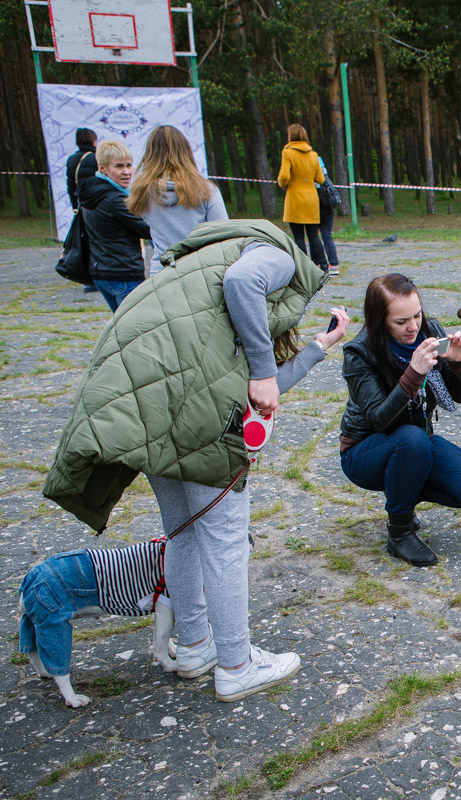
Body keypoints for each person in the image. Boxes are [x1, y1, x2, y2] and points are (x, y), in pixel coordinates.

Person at [43, 219, 349, 701]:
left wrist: (317, 347)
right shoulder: (277, 254)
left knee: (183, 532)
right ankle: (236, 664)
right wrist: (266, 369)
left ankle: (195, 646)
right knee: (225, 540)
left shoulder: (194, 263)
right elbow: (244, 286)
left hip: (148, 404)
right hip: (188, 409)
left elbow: (249, 387)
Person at [339, 273, 461, 567]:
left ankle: (403, 492)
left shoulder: (429, 332)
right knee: (410, 438)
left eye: (417, 315)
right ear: (379, 319)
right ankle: (399, 532)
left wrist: (459, 363)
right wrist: (413, 373)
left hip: (417, 443)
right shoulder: (359, 353)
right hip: (364, 451)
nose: (413, 327)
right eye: (400, 322)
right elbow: (380, 420)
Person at [127, 125, 228, 275]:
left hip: (162, 273)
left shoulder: (142, 192)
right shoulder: (206, 190)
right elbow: (224, 233)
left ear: (150, 154)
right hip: (200, 272)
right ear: (185, 151)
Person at [76, 139, 151, 312]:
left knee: (122, 328)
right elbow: (147, 229)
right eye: (119, 166)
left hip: (101, 272)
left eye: (129, 165)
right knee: (135, 330)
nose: (126, 172)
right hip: (123, 273)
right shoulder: (115, 199)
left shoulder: (91, 193)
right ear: (102, 168)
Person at [277, 123, 329, 271]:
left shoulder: (287, 152)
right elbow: (320, 179)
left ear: (290, 136)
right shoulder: (313, 154)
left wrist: (283, 183)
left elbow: (284, 176)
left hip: (295, 197)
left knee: (298, 236)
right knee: (313, 234)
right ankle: (323, 263)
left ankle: (303, 266)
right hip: (311, 198)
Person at [65, 128, 100, 295]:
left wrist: (75, 205)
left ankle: (88, 279)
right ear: (94, 141)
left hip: (82, 204)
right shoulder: (96, 158)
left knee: (85, 242)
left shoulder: (72, 160)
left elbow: (71, 185)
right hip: (97, 204)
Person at [316, 154, 340, 276]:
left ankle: (319, 263)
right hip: (328, 208)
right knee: (327, 235)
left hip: (317, 208)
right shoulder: (327, 179)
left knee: (314, 237)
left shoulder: (313, 182)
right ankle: (334, 264)